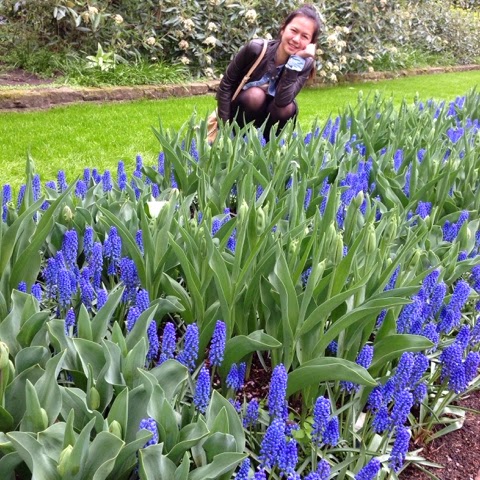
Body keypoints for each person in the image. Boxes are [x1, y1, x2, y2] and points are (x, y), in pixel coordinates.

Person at [216, 4, 322, 140]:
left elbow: (283, 101)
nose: (296, 39)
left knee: (287, 107)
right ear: (283, 29)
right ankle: (239, 140)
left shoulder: (305, 64)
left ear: (311, 43)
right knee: (255, 96)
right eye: (293, 30)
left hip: (272, 119)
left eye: (304, 36)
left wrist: (296, 62)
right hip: (241, 115)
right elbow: (226, 86)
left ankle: (270, 146)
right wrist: (224, 129)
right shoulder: (255, 48)